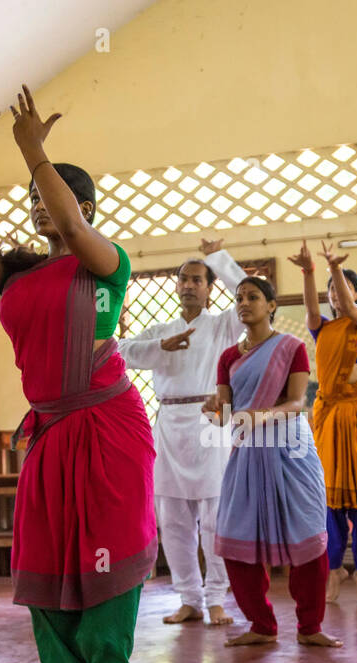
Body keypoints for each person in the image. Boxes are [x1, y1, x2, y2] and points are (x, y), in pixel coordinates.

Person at [0, 87, 155, 663]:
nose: (39, 207)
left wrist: (36, 151)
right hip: (51, 430)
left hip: (111, 427)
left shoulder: (106, 264)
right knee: (43, 566)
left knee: (109, 560)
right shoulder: (14, 276)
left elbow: (71, 228)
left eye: (52, 197)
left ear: (84, 209)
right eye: (34, 198)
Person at [203, 276, 338, 648]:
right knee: (235, 539)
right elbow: (225, 412)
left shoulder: (291, 347)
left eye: (253, 297)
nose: (244, 303)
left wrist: (263, 415)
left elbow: (297, 403)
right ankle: (261, 625)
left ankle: (310, 627)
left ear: (272, 305)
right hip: (247, 452)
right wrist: (213, 410)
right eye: (239, 298)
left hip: (291, 449)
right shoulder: (228, 357)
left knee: (308, 536)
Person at [118, 237, 247, 627]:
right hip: (169, 428)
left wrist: (218, 257)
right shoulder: (161, 330)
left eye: (197, 279)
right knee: (173, 520)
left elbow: (245, 293)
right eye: (183, 279)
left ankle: (217, 599)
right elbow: (118, 350)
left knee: (214, 518)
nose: (189, 285)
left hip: (210, 421)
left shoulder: (223, 326)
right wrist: (161, 346)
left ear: (209, 288)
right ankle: (189, 598)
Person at [294, 241, 357, 603]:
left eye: (344, 287)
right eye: (332, 290)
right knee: (329, 499)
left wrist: (334, 267)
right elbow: (312, 310)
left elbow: (347, 307)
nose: (336, 295)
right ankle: (333, 572)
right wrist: (308, 272)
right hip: (328, 415)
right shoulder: (322, 329)